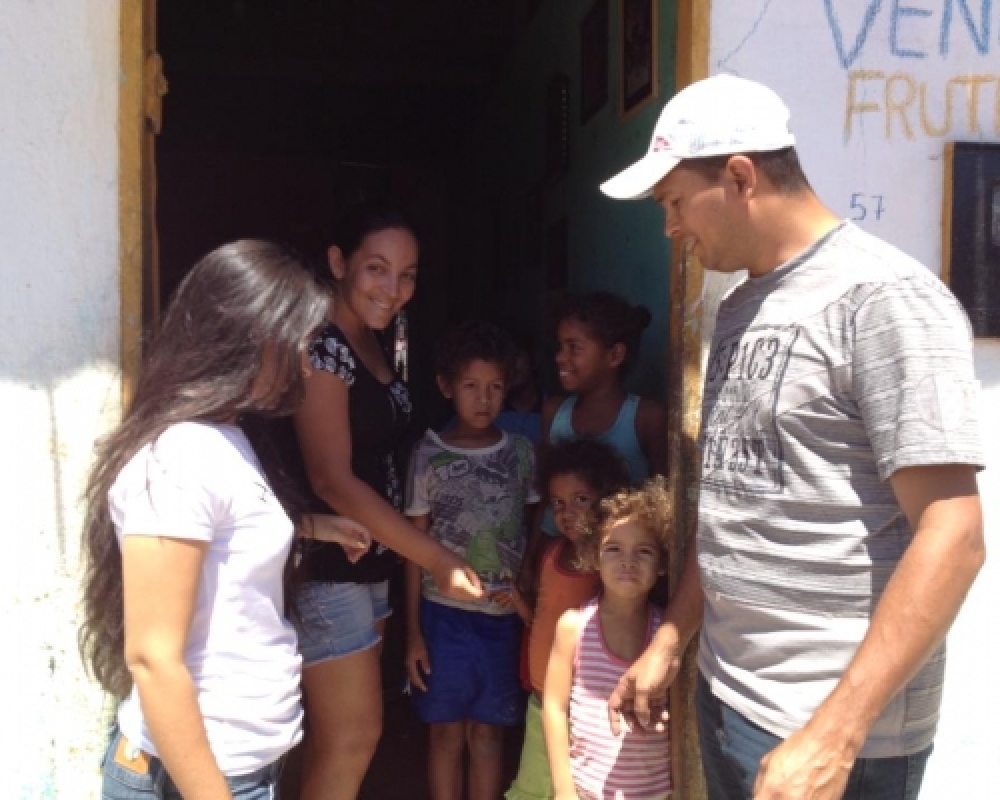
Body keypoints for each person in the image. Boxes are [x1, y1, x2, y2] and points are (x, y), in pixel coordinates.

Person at [600, 74, 985, 800]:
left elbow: (955, 534)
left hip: (833, 735)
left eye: (674, 203)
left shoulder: (885, 300)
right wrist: (673, 640)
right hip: (729, 697)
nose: (670, 227)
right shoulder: (742, 304)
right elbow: (736, 509)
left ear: (740, 176)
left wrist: (833, 737)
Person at [79, 240, 372, 799]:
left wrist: (312, 527)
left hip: (235, 769)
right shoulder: (179, 458)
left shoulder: (225, 437)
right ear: (253, 338)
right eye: (303, 346)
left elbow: (223, 538)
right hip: (197, 779)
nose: (309, 366)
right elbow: (154, 658)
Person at [292, 206, 482, 800]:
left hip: (367, 561)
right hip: (330, 567)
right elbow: (330, 479)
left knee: (343, 742)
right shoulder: (322, 346)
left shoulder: (369, 343)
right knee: (350, 739)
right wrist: (434, 558)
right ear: (337, 261)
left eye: (408, 274)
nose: (393, 288)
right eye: (377, 268)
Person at [404, 320, 539, 800]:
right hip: (443, 619)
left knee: (488, 734)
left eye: (495, 387)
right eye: (471, 387)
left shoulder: (521, 453)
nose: (484, 399)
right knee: (444, 733)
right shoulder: (428, 455)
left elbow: (533, 523)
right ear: (446, 387)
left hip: (502, 620)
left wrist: (526, 588)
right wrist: (414, 633)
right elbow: (412, 549)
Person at [520, 292, 667, 605]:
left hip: (625, 573)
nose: (560, 357)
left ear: (614, 356)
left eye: (574, 348)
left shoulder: (645, 417)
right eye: (560, 347)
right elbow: (546, 500)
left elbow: (665, 502)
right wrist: (531, 560)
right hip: (563, 561)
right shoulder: (554, 412)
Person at [506, 438, 630, 800]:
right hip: (542, 699)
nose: (567, 512)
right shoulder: (552, 554)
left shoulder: (607, 566)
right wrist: (519, 604)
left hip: (585, 706)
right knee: (532, 788)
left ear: (604, 500)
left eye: (580, 500)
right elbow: (543, 621)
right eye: (558, 503)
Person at [543, 478, 675, 800]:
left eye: (643, 551)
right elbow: (553, 706)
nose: (627, 561)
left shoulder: (668, 636)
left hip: (657, 793)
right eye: (613, 548)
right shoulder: (573, 627)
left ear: (662, 565)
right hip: (586, 790)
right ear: (594, 557)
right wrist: (563, 789)